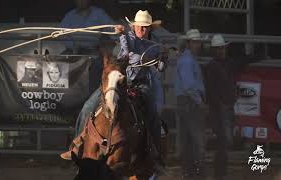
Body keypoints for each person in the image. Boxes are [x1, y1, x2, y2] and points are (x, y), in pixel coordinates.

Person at [74, 10, 167, 156]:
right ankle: (77, 144)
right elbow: (124, 53)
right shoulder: (129, 37)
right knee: (87, 107)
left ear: (150, 28)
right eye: (138, 26)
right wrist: (122, 35)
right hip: (119, 82)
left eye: (144, 27)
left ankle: (154, 152)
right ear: (134, 27)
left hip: (141, 84)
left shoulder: (155, 45)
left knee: (153, 114)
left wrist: (163, 58)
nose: (141, 29)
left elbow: (160, 68)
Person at [205, 34, 262, 180]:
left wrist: (259, 56)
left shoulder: (226, 63)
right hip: (220, 108)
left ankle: (220, 172)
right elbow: (211, 90)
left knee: (224, 141)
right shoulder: (213, 66)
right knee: (225, 140)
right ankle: (219, 173)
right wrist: (220, 104)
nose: (221, 51)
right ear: (214, 50)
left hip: (225, 107)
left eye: (222, 48)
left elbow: (243, 60)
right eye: (218, 49)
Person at [59, 0, 115, 93]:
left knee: (96, 67)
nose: (81, 2)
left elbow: (113, 29)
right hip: (72, 52)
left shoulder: (98, 13)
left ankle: (92, 95)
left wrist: (116, 41)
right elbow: (61, 34)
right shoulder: (70, 15)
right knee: (58, 64)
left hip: (92, 52)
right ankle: (64, 95)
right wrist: (73, 46)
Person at [174, 29, 207, 178]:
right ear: (188, 44)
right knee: (196, 137)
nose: (197, 45)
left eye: (198, 42)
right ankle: (196, 170)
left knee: (187, 137)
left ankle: (188, 171)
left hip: (185, 101)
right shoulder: (188, 60)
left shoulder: (185, 59)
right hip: (190, 101)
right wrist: (200, 102)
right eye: (195, 42)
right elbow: (189, 86)